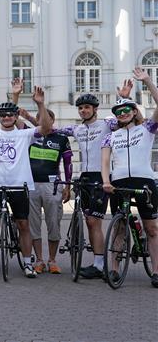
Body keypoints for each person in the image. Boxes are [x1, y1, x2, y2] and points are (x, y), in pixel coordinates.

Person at [0, 83, 51, 278]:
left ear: (15, 117)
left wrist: (40, 105)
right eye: (3, 115)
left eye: (10, 115)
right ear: (0, 118)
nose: (6, 118)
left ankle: (29, 264)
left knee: (23, 225)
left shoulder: (24, 134)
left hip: (19, 186)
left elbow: (46, 128)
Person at [52, 80, 132, 279]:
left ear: (95, 109)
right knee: (90, 222)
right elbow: (50, 130)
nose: (83, 110)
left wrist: (124, 98)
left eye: (87, 107)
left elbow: (125, 119)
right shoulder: (76, 129)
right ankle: (98, 263)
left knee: (94, 220)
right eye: (80, 108)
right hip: (85, 177)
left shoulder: (107, 124)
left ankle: (101, 264)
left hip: (102, 176)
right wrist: (29, 116)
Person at [101, 68, 158, 288]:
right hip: (118, 183)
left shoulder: (147, 129)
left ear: (134, 112)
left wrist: (148, 81)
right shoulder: (110, 136)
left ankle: (155, 271)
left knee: (152, 228)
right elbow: (105, 162)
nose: (122, 113)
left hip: (144, 182)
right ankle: (114, 269)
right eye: (118, 111)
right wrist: (106, 181)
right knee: (119, 227)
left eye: (126, 109)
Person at [17, 106, 72, 274]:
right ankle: (39, 260)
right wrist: (16, 99)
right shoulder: (30, 134)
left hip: (53, 186)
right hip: (31, 185)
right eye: (39, 118)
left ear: (52, 121)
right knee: (33, 225)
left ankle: (53, 260)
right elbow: (15, 121)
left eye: (46, 119)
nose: (43, 121)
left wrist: (67, 185)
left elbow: (68, 163)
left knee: (53, 224)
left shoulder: (61, 138)